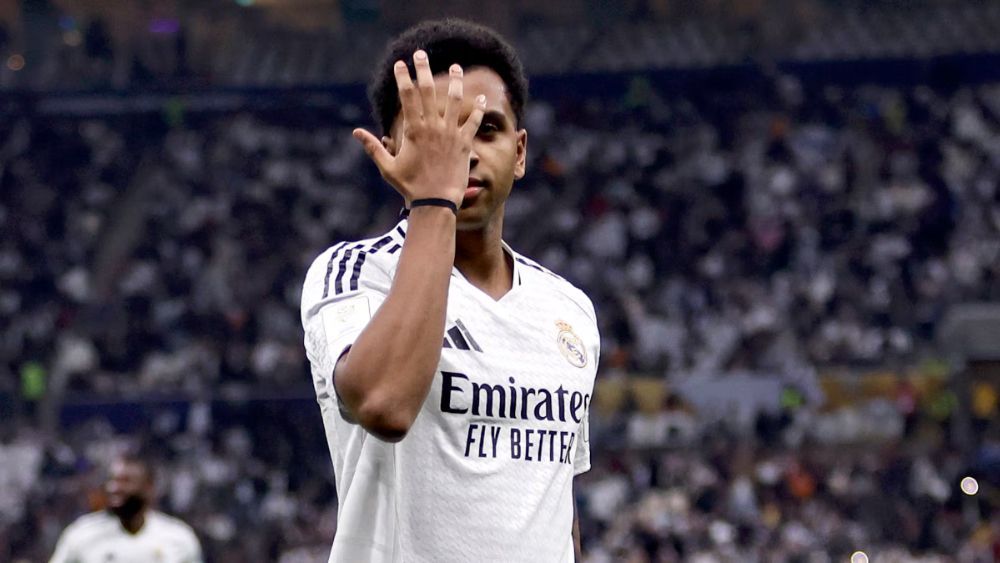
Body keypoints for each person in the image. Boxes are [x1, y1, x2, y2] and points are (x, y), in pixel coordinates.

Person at [301, 18, 600, 563]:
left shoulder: (570, 310)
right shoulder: (353, 274)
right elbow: (385, 404)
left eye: (485, 129)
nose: (461, 151)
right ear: (392, 151)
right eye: (436, 134)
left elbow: (556, 502)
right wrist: (434, 200)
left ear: (521, 151)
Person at [49, 454, 202, 563]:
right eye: (113, 480)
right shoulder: (81, 535)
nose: (115, 488)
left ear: (149, 488)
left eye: (126, 481)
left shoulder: (179, 538)